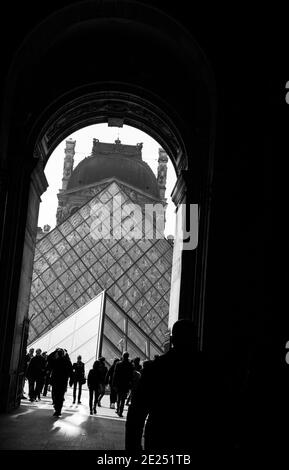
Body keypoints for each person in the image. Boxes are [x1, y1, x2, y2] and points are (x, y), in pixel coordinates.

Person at [125, 319, 227, 453]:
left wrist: (133, 448)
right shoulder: (210, 369)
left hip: (160, 438)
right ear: (196, 339)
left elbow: (136, 413)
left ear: (172, 340)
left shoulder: (155, 368)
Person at [50, 348, 73, 417]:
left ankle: (56, 407)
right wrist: (71, 381)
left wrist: (55, 351)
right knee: (60, 396)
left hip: (55, 381)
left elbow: (49, 358)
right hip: (63, 381)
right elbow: (71, 372)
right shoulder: (67, 361)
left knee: (55, 395)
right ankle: (58, 410)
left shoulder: (55, 361)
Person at [112, 351, 134, 417]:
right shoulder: (130, 365)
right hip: (126, 384)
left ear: (123, 356)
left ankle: (118, 409)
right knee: (123, 399)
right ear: (128, 356)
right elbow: (131, 376)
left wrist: (114, 384)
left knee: (118, 397)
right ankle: (121, 411)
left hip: (119, 383)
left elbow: (115, 375)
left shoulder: (118, 364)